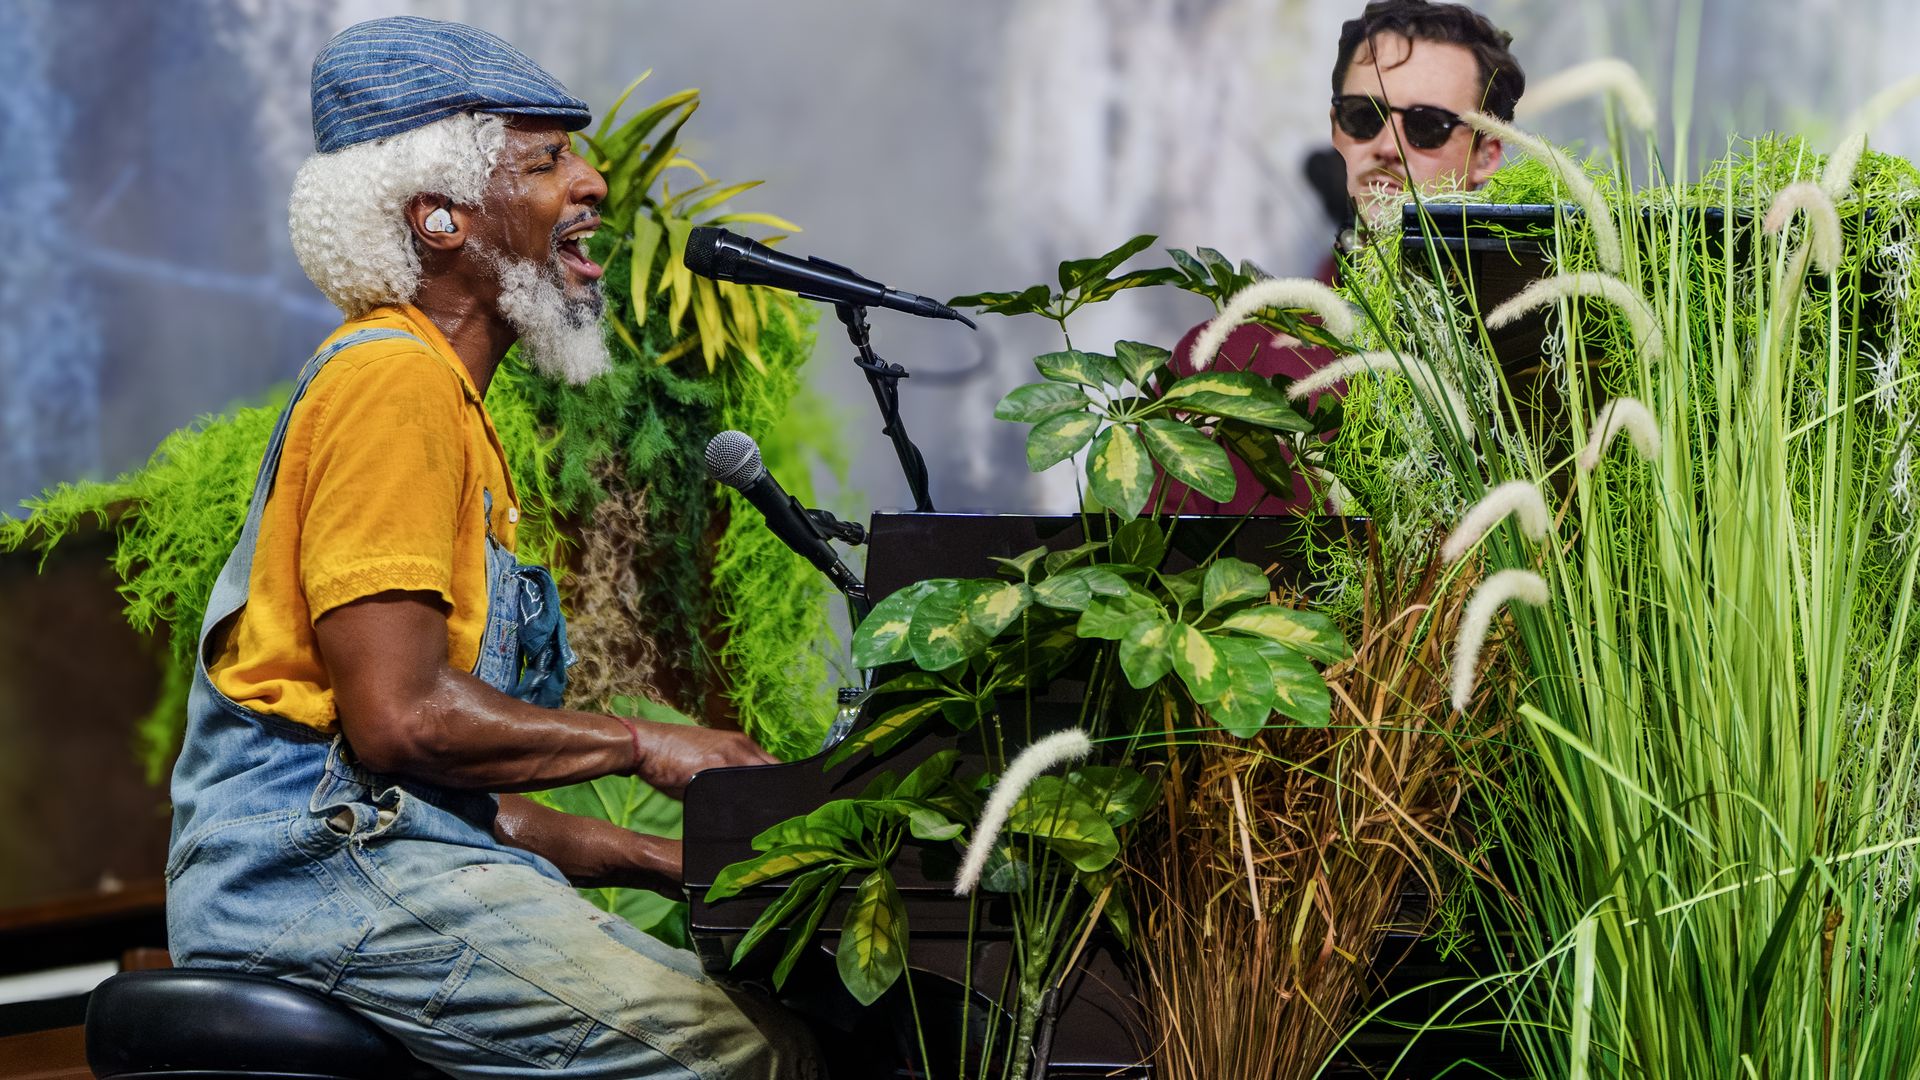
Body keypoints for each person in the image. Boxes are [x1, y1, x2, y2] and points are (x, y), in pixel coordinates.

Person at [164, 16, 819, 1078]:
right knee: (734, 1054)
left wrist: (670, 860)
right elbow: (401, 725)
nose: (595, 182)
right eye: (548, 160)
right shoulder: (393, 381)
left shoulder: (450, 406)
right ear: (439, 217)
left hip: (379, 867)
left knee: (781, 1034)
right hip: (310, 889)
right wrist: (649, 744)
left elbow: (460, 806)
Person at [1161, 0, 1525, 515]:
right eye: (1363, 117)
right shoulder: (1224, 359)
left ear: (1487, 153)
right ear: (1336, 128)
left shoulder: (1546, 355)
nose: (1386, 146)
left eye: (1427, 125)